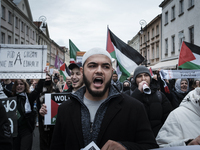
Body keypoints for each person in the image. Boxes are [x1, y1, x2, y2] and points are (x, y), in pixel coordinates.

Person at [50, 48, 158, 150]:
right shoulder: (65, 109)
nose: (99, 71)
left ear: (111, 72)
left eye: (105, 67)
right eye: (92, 66)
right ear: (82, 71)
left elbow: (151, 146)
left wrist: (126, 147)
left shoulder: (134, 108)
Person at [127, 66, 172, 137]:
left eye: (146, 75)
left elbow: (168, 118)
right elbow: (127, 113)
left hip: (158, 136)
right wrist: (138, 92)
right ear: (135, 79)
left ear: (150, 78)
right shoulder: (127, 94)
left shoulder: (159, 95)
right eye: (139, 76)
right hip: (137, 138)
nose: (143, 78)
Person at [5, 79, 43, 150]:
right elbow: (3, 90)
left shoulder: (29, 97)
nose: (19, 86)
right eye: (17, 84)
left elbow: (38, 90)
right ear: (14, 86)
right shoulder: (11, 97)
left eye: (21, 84)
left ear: (25, 86)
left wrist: (43, 76)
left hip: (26, 129)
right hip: (14, 130)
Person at [37, 74, 58, 150]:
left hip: (54, 119)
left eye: (48, 78)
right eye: (45, 78)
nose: (47, 80)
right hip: (43, 119)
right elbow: (37, 104)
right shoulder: (39, 90)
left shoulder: (55, 89)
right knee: (44, 141)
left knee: (53, 139)